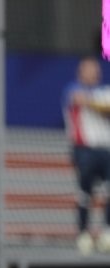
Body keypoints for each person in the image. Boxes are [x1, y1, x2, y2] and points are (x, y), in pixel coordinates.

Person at [62, 57, 110, 255]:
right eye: (90, 70)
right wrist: (99, 105)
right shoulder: (72, 89)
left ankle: (107, 233)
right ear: (81, 72)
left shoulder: (104, 91)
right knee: (84, 194)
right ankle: (83, 234)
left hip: (106, 150)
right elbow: (78, 99)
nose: (94, 73)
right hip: (84, 150)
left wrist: (95, 104)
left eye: (96, 70)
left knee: (108, 193)